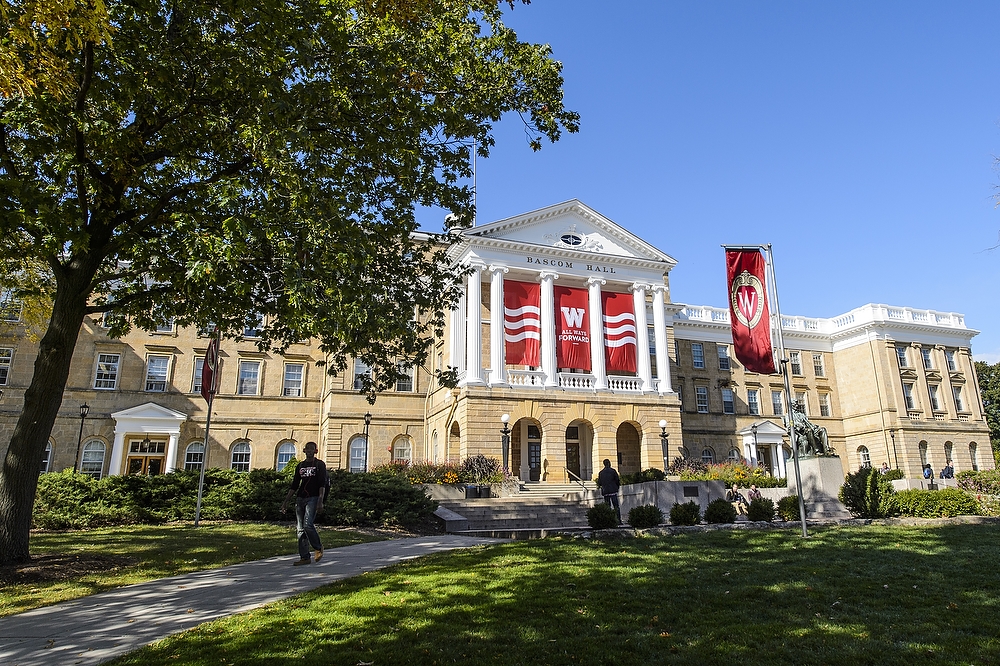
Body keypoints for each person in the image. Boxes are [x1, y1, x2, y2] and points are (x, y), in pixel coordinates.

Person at [280, 441, 329, 566]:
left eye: (312, 449)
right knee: (300, 529)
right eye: (307, 449)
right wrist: (285, 501)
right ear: (304, 451)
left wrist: (320, 501)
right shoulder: (300, 466)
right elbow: (295, 485)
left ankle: (318, 547)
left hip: (313, 498)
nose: (309, 451)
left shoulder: (319, 465)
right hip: (300, 498)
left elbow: (322, 483)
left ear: (316, 451)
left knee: (308, 525)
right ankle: (305, 557)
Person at [597, 459, 622, 524]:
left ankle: (609, 521)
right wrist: (617, 487)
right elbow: (617, 480)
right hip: (613, 490)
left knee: (608, 507)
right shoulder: (613, 471)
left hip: (605, 492)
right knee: (616, 506)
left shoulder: (601, 473)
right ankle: (618, 520)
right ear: (609, 463)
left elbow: (599, 483)